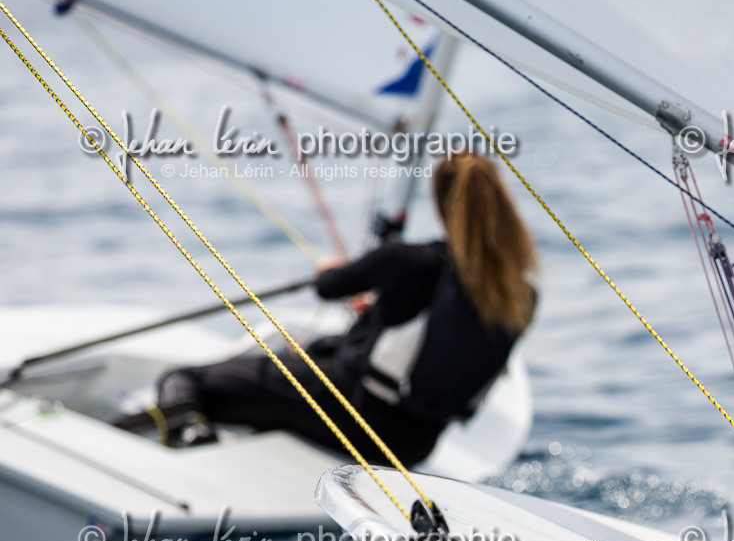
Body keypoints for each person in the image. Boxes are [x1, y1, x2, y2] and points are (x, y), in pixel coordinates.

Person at [120, 152, 537, 465]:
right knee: (316, 353)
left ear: (442, 202)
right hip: (413, 446)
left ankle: (193, 440)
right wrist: (376, 309)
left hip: (356, 412)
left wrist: (330, 271)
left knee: (185, 379)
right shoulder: (520, 292)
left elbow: (330, 285)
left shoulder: (412, 260)